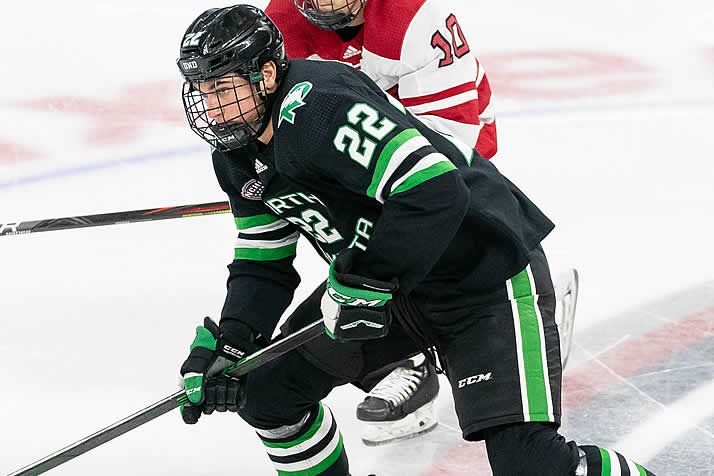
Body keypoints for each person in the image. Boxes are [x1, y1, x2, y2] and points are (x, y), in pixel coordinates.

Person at [176, 5, 645, 476]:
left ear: (268, 74)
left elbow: (436, 189)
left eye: (223, 87)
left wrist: (368, 280)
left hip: (481, 277)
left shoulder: (321, 106)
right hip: (398, 286)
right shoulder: (235, 160)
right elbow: (264, 263)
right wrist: (234, 341)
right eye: (201, 89)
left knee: (529, 462)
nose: (211, 106)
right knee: (266, 394)